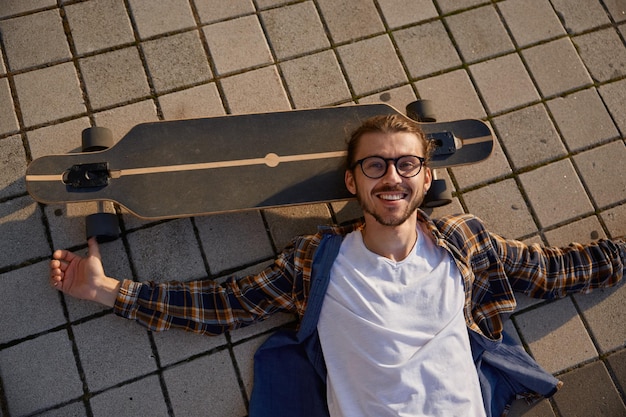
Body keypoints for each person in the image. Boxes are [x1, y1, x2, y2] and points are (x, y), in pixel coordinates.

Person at [49, 114, 625, 417]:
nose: (391, 177)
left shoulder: (464, 243)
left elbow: (551, 271)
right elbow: (224, 305)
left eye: (406, 165)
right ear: (352, 182)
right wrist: (106, 290)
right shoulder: (317, 259)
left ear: (426, 178)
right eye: (374, 166)